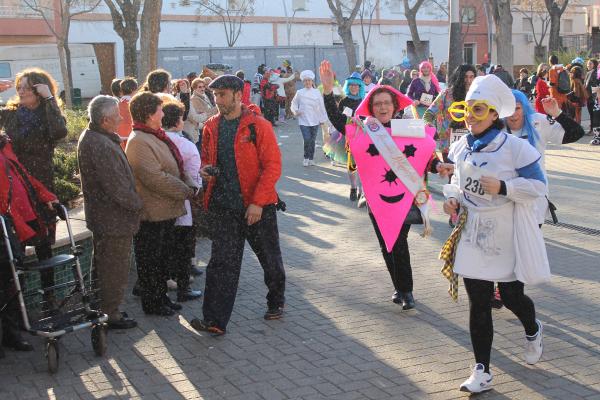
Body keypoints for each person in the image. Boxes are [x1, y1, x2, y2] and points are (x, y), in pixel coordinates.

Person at [440, 74, 547, 393]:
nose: (470, 117)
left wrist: (505, 187)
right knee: (479, 300)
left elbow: (538, 187)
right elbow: (458, 183)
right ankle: (482, 370)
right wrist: (451, 199)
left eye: (478, 110)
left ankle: (532, 328)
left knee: (513, 296)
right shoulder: (460, 147)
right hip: (474, 234)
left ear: (493, 113)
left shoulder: (515, 148)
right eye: (466, 110)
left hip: (507, 232)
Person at [320, 60, 448, 310]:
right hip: (375, 199)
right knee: (385, 244)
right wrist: (327, 91)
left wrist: (438, 167)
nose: (381, 107)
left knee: (398, 244)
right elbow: (337, 120)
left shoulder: (408, 127)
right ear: (371, 107)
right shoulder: (364, 129)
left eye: (386, 103)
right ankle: (399, 288)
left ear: (395, 105)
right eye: (376, 104)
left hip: (403, 197)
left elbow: (425, 154)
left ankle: (407, 291)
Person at [190, 75, 285, 336]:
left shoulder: (258, 126)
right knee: (221, 264)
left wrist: (256, 203)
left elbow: (272, 167)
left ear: (237, 95)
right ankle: (214, 320)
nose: (217, 100)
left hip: (258, 207)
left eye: (222, 95)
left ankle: (276, 300)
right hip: (224, 207)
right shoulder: (211, 125)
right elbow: (207, 158)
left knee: (269, 259)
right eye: (215, 95)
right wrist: (205, 170)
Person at [0, 68, 67, 308]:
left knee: (44, 245)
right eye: (19, 87)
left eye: (27, 87)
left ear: (39, 88)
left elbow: (60, 132)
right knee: (14, 246)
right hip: (14, 186)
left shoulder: (48, 111)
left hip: (41, 183)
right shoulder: (9, 114)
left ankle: (48, 295)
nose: (21, 91)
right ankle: (16, 302)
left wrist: (49, 98)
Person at [125, 92, 196, 316]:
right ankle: (152, 302)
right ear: (148, 114)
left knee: (162, 259)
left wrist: (188, 182)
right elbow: (154, 177)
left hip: (165, 211)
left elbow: (175, 165)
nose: (163, 113)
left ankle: (161, 298)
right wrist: (185, 190)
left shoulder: (154, 135)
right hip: (152, 213)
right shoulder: (138, 141)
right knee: (150, 261)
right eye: (159, 109)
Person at [77, 95, 142, 330]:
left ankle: (101, 309)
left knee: (105, 266)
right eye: (117, 115)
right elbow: (117, 188)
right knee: (113, 268)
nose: (121, 118)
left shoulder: (98, 137)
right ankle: (109, 313)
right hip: (112, 219)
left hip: (106, 217)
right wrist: (139, 205)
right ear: (105, 120)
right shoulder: (99, 144)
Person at [0, 133, 59, 355]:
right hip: (8, 225)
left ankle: (13, 333)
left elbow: (25, 179)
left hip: (13, 226)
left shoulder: (5, 148)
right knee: (8, 281)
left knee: (12, 280)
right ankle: (10, 334)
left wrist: (47, 196)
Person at [162, 101, 203, 302]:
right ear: (178, 121)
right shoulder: (185, 145)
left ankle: (166, 278)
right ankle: (183, 287)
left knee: (167, 245)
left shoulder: (155, 140)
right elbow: (194, 175)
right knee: (183, 246)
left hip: (161, 199)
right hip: (183, 199)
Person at [322, 72, 366, 201]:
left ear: (360, 87)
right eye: (351, 85)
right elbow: (338, 118)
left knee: (363, 165)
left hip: (363, 137)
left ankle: (362, 190)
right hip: (347, 136)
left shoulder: (364, 101)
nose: (353, 87)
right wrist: (350, 120)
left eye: (356, 85)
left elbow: (368, 118)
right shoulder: (344, 101)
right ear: (348, 86)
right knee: (351, 164)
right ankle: (353, 187)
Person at [424, 64, 476, 161]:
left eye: (471, 77)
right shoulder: (447, 94)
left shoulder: (478, 96)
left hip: (471, 144)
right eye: (465, 77)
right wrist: (429, 126)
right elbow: (429, 113)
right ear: (459, 77)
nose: (469, 81)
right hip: (448, 145)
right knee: (452, 175)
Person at [291, 70, 328, 167]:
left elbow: (321, 106)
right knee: (307, 139)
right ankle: (305, 157)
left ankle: (311, 159)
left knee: (312, 140)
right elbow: (293, 103)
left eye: (309, 80)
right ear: (303, 82)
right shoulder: (300, 92)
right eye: (305, 81)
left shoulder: (317, 92)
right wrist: (295, 111)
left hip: (315, 120)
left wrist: (322, 119)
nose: (307, 82)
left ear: (312, 81)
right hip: (303, 120)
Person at [183, 77, 217, 147]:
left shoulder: (204, 96)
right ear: (195, 88)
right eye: (200, 87)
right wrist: (216, 109)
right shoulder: (195, 99)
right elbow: (201, 114)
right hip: (200, 128)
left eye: (203, 86)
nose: (202, 89)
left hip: (206, 125)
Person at [116, 76, 138, 147]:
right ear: (133, 90)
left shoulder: (116, 105)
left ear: (121, 91)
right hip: (133, 139)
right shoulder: (136, 105)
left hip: (118, 139)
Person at [584, 59, 599, 135]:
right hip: (589, 97)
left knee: (593, 114)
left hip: (593, 97)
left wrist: (594, 97)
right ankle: (592, 129)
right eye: (587, 64)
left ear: (594, 65)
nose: (588, 65)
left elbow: (595, 85)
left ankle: (593, 130)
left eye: (590, 64)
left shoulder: (595, 73)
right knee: (592, 114)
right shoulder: (589, 72)